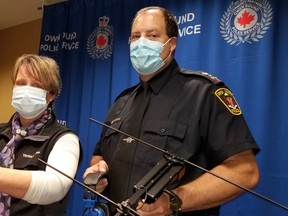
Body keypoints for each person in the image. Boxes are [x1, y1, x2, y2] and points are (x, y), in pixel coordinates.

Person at [83, 6, 260, 216]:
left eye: (153, 35)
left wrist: (174, 201)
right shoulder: (122, 101)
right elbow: (99, 156)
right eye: (136, 36)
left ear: (172, 43)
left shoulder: (204, 93)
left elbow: (244, 172)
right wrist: (98, 170)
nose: (142, 43)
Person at [0, 54, 82, 215]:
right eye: (21, 83)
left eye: (36, 86)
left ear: (50, 95)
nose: (26, 90)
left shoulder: (65, 138)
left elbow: (56, 186)